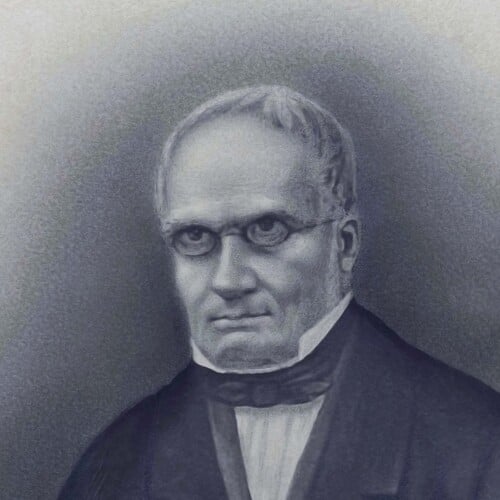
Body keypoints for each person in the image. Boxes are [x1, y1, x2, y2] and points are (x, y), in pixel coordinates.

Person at [59, 86, 500, 499]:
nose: (228, 281)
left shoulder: (478, 441)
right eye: (195, 237)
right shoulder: (112, 465)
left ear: (344, 245)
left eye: (267, 229)